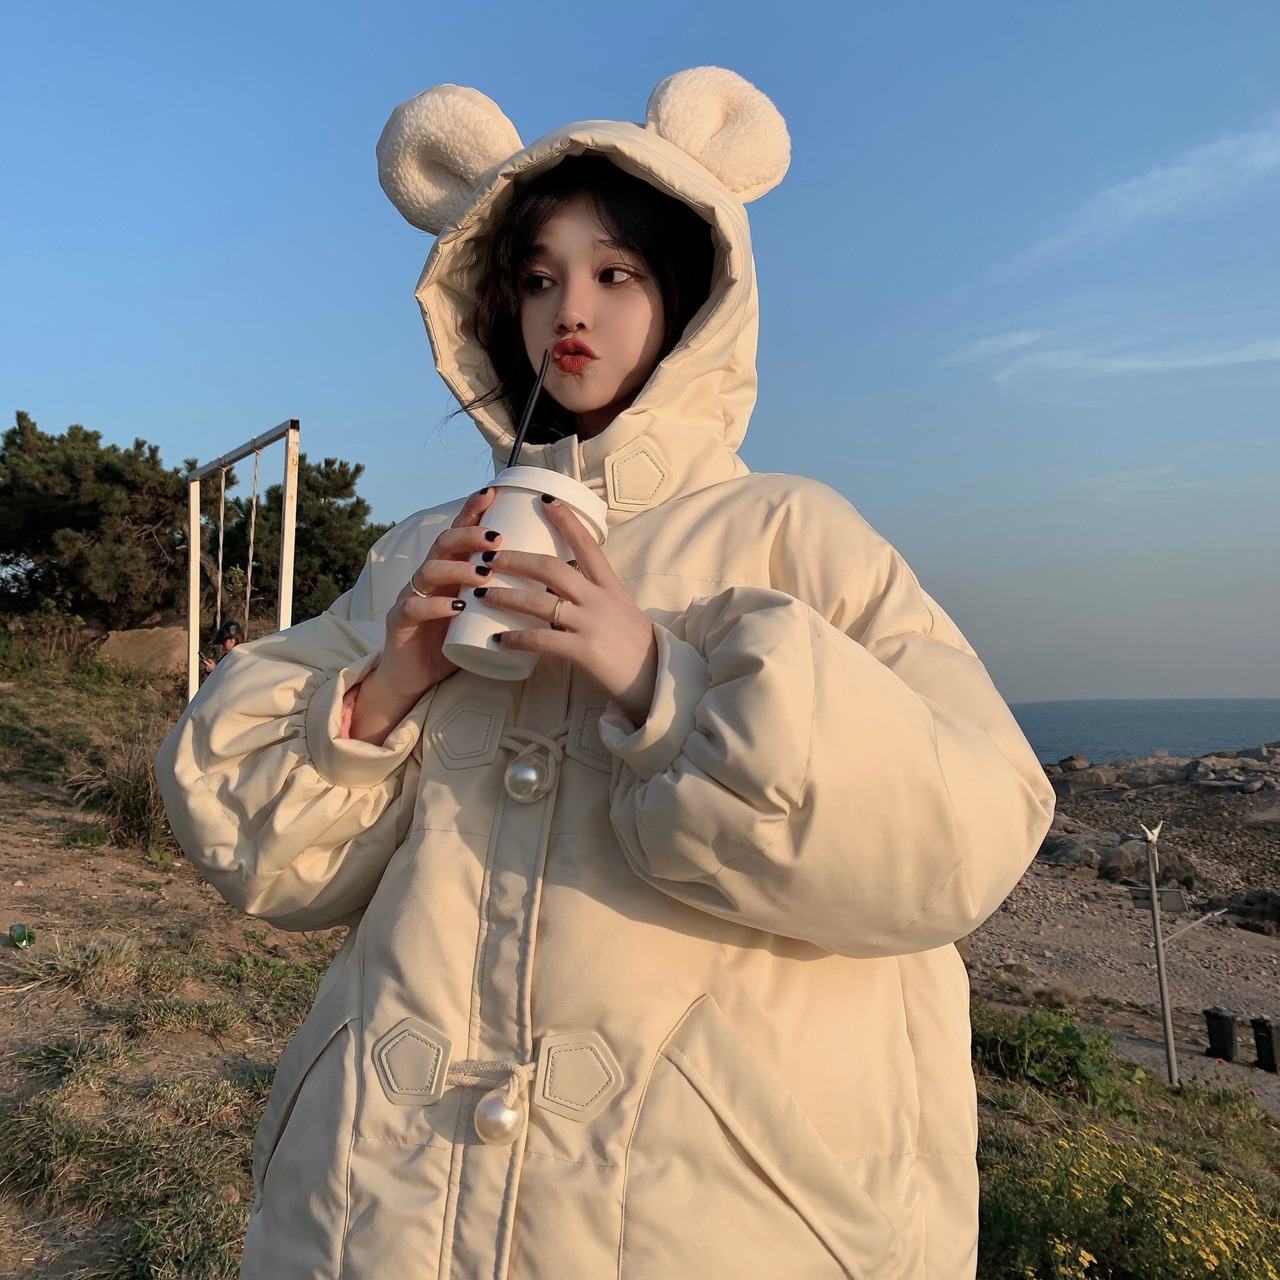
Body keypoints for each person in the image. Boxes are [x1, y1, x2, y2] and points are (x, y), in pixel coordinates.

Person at [157, 68, 1054, 1280]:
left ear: (689, 297)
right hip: (384, 1207)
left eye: (614, 273)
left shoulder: (794, 530)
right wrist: (387, 683)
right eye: (537, 278)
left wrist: (660, 682)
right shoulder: (422, 549)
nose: (567, 308)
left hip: (707, 1213)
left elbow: (968, 829)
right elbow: (256, 844)